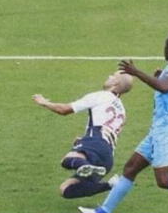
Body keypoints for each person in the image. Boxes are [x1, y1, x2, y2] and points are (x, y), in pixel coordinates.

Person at [79, 31, 168, 213]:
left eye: (166, 44)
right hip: (160, 129)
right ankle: (103, 210)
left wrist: (136, 72)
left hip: (166, 129)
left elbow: (164, 86)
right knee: (130, 168)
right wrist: (164, 77)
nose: (164, 48)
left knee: (164, 179)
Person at [33, 71, 133, 199]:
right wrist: (85, 140)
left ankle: (85, 165)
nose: (109, 76)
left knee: (66, 160)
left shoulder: (101, 96)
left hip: (95, 142)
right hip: (107, 157)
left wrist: (44, 103)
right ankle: (110, 184)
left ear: (115, 83)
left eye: (113, 76)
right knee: (66, 189)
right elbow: (107, 130)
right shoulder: (121, 110)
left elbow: (64, 110)